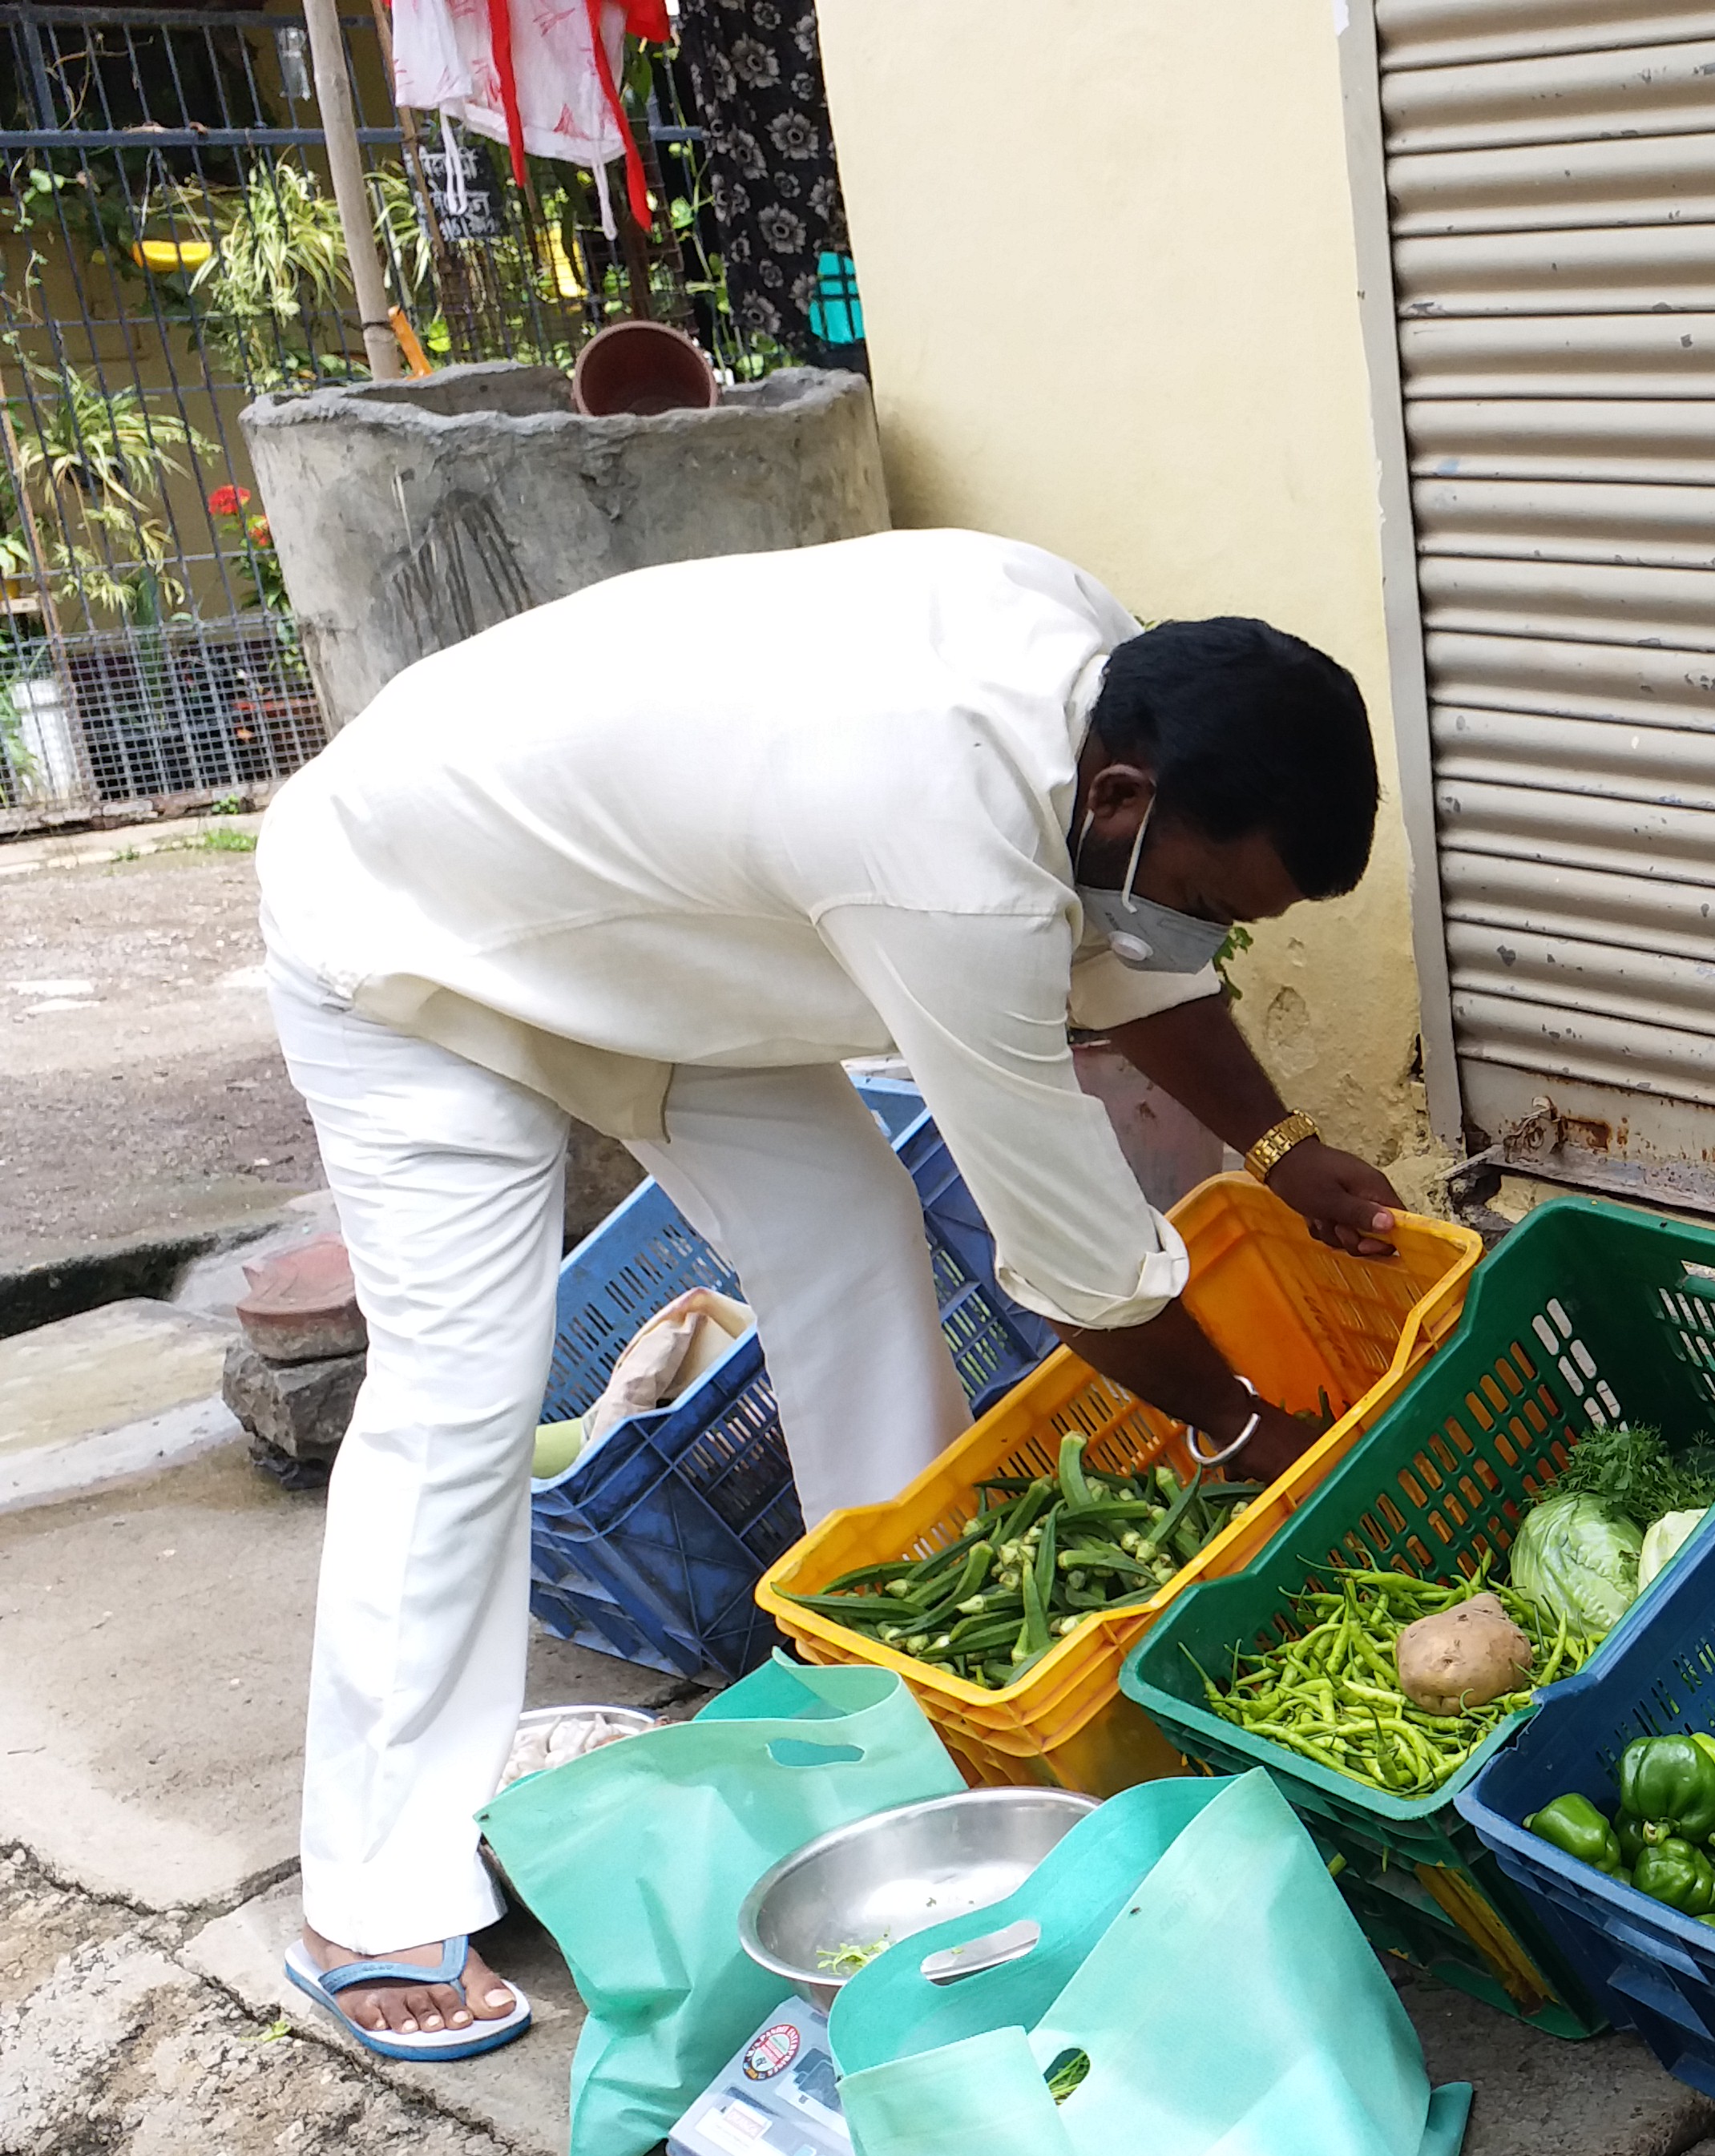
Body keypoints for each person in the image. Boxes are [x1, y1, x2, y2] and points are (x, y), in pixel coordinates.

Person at [253, 527, 1406, 2061]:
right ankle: (368, 1895)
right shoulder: (948, 865)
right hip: (407, 922)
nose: (1212, 935)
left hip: (654, 930)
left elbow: (1140, 963)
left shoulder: (1097, 678)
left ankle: (907, 1697)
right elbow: (1078, 1274)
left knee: (856, 1235)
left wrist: (1279, 1145)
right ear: (1124, 797)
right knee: (462, 1386)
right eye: (1209, 895)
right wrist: (1238, 1432)